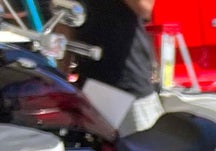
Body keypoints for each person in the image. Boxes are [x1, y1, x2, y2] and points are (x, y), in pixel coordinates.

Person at [68, 0, 162, 132]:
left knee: (145, 141)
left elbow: (145, 8)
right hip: (89, 84)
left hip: (129, 84)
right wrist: (61, 75)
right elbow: (65, 21)